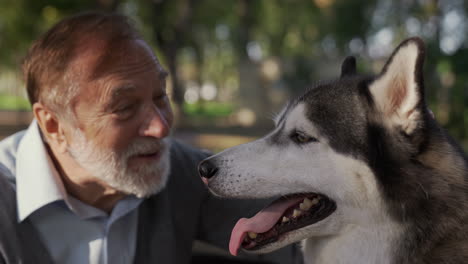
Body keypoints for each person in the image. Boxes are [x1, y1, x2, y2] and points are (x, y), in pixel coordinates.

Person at [0, 11, 302, 264]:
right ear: (53, 125)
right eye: (125, 107)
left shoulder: (181, 172)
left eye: (160, 96)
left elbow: (303, 243)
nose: (161, 127)